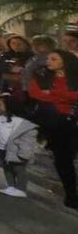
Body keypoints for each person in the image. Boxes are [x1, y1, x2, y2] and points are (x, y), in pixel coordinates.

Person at [25, 49, 78, 210]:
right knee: (63, 159)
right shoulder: (41, 76)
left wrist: (54, 94)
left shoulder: (74, 76)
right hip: (55, 122)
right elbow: (35, 93)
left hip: (74, 119)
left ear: (65, 61)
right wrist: (64, 96)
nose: (49, 61)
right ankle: (71, 195)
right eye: (48, 58)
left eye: (54, 59)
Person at [0, 92, 38, 198]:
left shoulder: (19, 122)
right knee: (6, 168)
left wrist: (24, 152)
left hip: (15, 150)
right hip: (2, 148)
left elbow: (27, 138)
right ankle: (11, 186)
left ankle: (21, 189)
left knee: (19, 169)